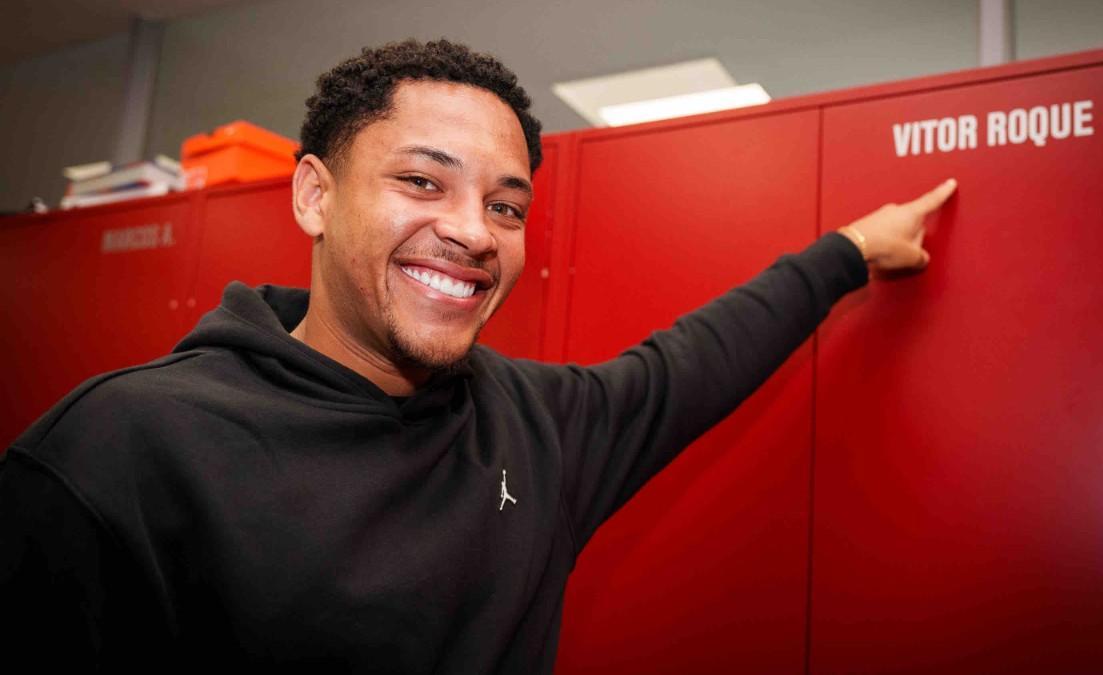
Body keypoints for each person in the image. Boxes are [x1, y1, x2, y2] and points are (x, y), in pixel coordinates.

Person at [0, 39, 955, 671]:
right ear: (313, 198)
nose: (474, 233)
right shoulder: (116, 452)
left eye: (506, 206)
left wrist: (852, 252)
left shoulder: (538, 428)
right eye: (422, 180)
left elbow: (695, 362)